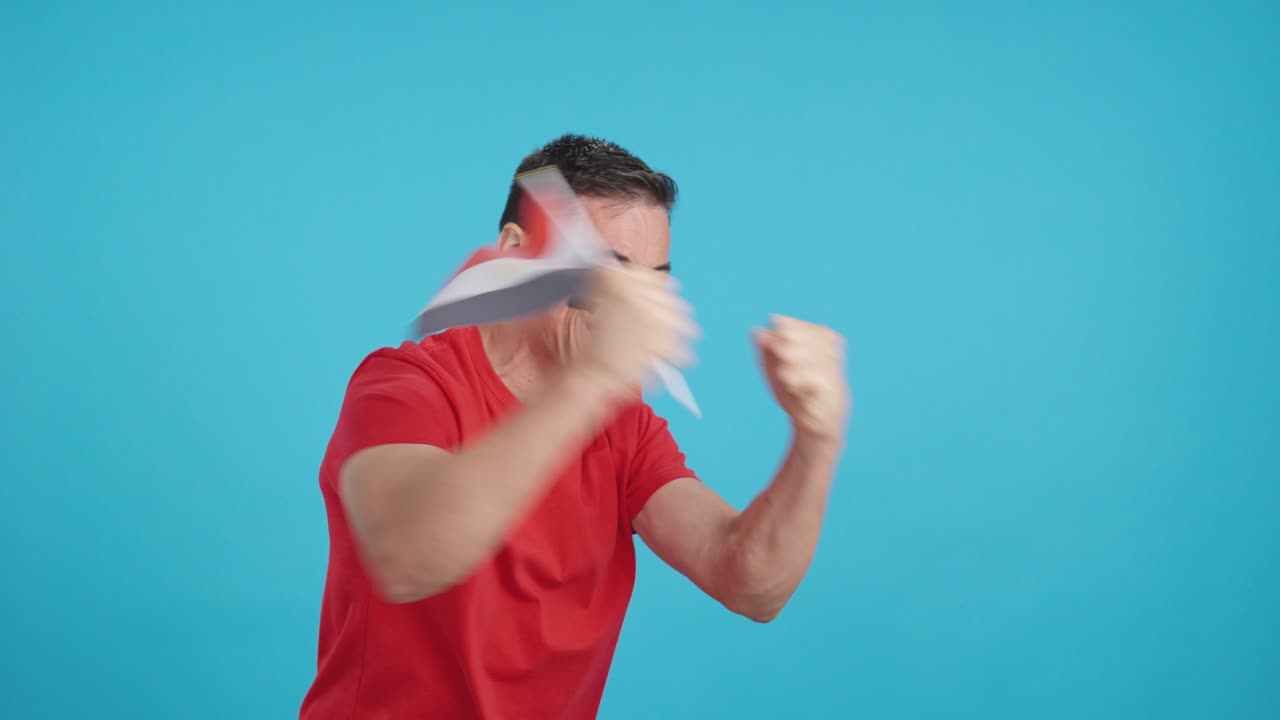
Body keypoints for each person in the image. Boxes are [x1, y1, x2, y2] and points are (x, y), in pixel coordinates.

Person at [299, 134, 851, 719]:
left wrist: (817, 439)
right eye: (607, 273)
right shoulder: (405, 386)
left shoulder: (624, 425)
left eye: (653, 280)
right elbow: (406, 555)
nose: (631, 304)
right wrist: (591, 380)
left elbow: (749, 581)